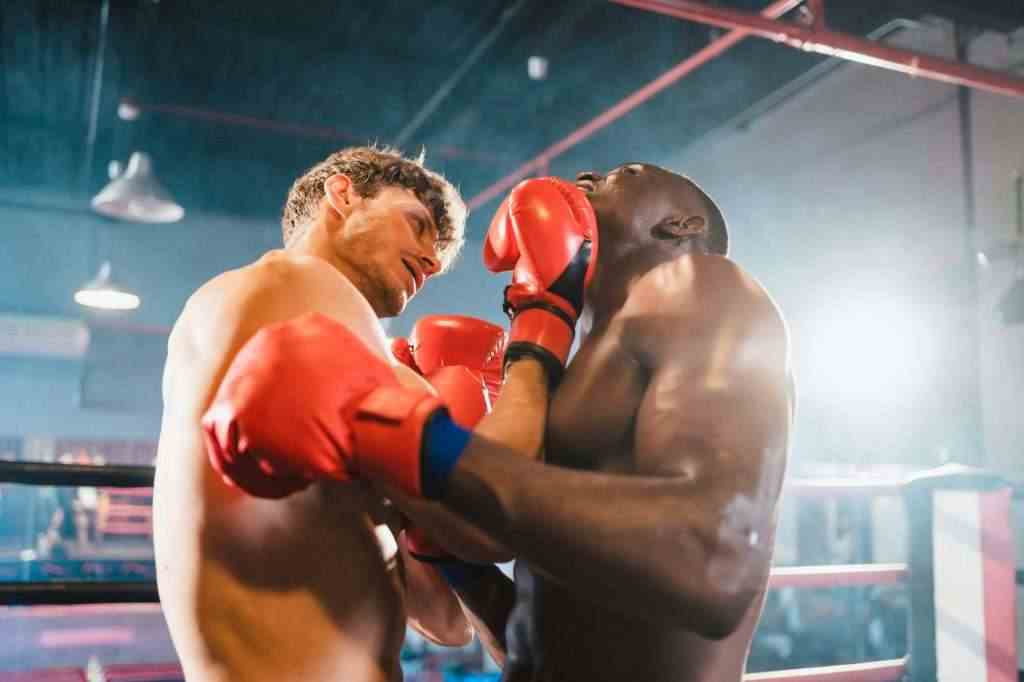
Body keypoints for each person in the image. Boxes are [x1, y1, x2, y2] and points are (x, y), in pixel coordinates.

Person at [202, 162, 792, 682]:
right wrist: (445, 548)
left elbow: (712, 561)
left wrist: (421, 446)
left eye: (621, 176)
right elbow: (537, 639)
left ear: (681, 225)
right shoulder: (576, 368)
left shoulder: (704, 289)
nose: (585, 179)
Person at [154, 145, 531, 682]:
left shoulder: (297, 336)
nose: (430, 261)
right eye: (418, 225)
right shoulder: (297, 281)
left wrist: (431, 540)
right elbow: (494, 519)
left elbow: (445, 622)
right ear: (343, 193)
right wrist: (541, 326)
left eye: (438, 256)